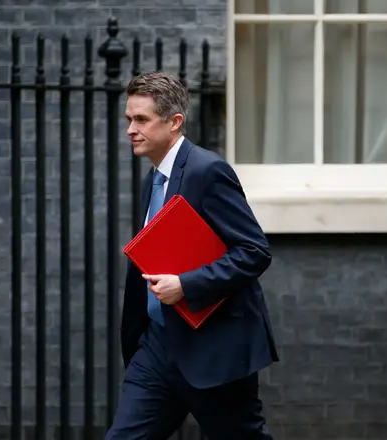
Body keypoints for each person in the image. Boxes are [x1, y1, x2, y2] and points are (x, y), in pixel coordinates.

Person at [107, 71, 279, 440]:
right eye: (128, 120)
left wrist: (186, 285)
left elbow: (253, 251)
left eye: (141, 120)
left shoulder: (208, 171)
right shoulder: (151, 181)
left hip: (213, 348)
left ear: (174, 122)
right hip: (157, 348)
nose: (130, 130)